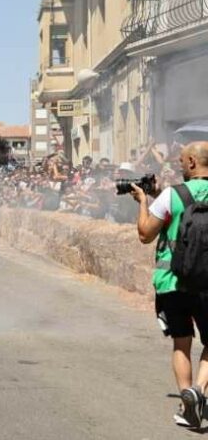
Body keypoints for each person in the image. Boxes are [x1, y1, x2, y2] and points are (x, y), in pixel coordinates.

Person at [131, 141, 208, 428]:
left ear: (191, 162)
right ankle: (199, 390)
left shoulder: (171, 195)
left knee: (182, 343)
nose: (177, 164)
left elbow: (145, 235)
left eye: (180, 160)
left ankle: (189, 403)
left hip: (173, 283)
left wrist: (143, 202)